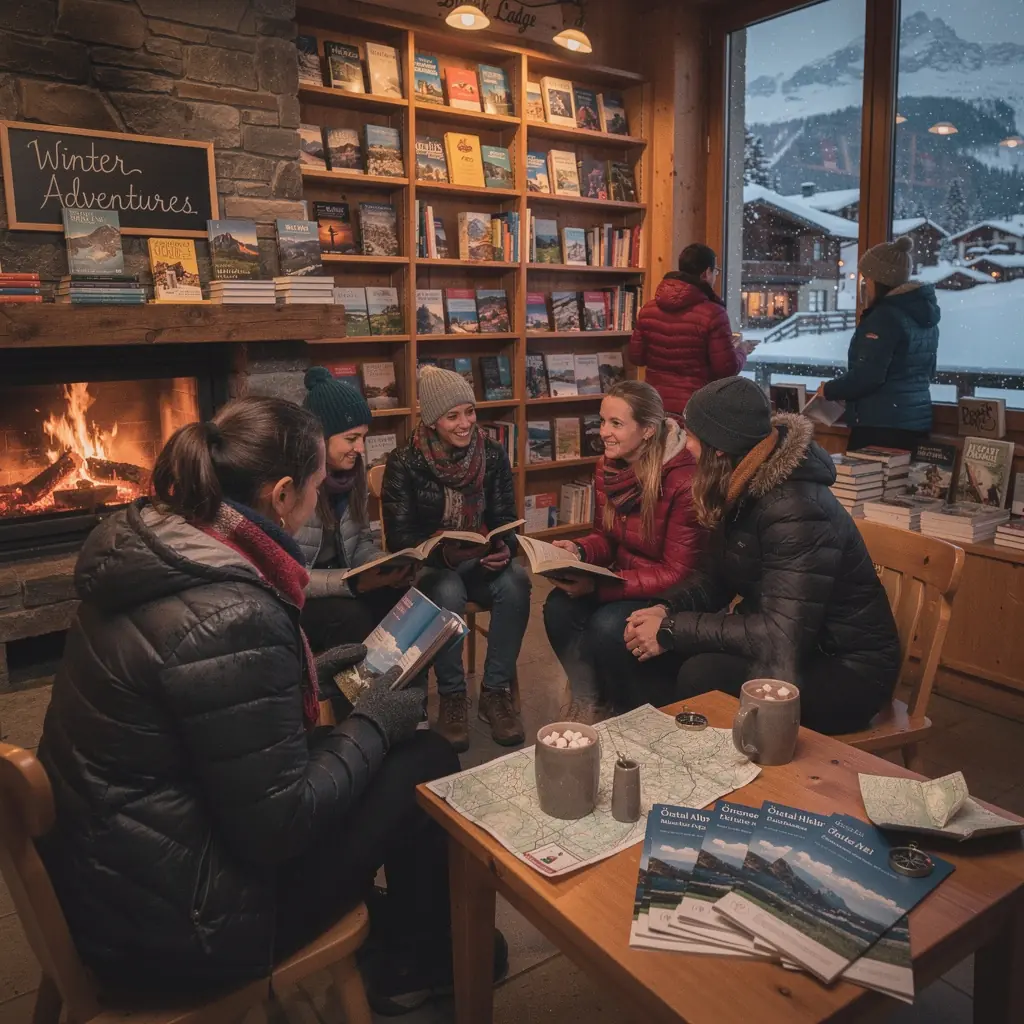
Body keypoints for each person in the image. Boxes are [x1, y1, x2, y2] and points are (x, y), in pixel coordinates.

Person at [35, 396, 505, 1013]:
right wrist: (370, 723)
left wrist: (308, 670)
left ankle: (413, 937)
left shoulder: (157, 553)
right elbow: (280, 823)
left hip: (116, 879)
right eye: (315, 486)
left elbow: (212, 723)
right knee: (425, 759)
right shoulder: (234, 611)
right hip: (188, 928)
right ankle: (421, 959)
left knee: (403, 755)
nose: (319, 497)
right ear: (282, 495)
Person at [624, 377, 901, 736]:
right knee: (638, 647)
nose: (684, 446)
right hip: (799, 646)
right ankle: (665, 753)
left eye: (691, 436)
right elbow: (715, 579)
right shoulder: (742, 480)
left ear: (719, 449)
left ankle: (705, 768)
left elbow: (780, 635)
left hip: (847, 671)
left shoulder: (796, 509)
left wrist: (673, 630)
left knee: (702, 673)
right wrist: (665, 611)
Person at [381, 365, 530, 751]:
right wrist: (443, 553)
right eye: (453, 416)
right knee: (446, 590)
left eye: (470, 412)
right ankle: (452, 696)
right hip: (433, 566)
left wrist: (503, 547)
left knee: (516, 582)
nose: (466, 424)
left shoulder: (492, 454)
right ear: (432, 420)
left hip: (480, 558)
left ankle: (495, 692)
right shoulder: (404, 462)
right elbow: (401, 539)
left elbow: (504, 518)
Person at [542, 381, 704, 722]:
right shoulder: (609, 466)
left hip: (667, 592)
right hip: (622, 578)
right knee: (558, 607)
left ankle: (626, 708)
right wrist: (580, 551)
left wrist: (602, 586)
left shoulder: (682, 479)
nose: (604, 433)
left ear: (647, 430)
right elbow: (607, 537)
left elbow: (678, 572)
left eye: (616, 424)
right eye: (602, 421)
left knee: (608, 625)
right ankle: (589, 697)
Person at [297, 366, 414, 651]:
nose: (361, 449)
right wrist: (352, 585)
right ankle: (354, 695)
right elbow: (289, 574)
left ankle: (403, 690)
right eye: (351, 439)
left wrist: (382, 566)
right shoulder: (296, 487)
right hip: (301, 596)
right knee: (354, 618)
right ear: (319, 441)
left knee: (405, 600)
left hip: (343, 578)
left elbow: (360, 539)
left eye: (363, 437)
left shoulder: (353, 475)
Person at [819, 236, 940, 451]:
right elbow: (926, 371)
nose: (864, 286)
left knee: (867, 485)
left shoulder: (883, 318)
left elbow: (868, 375)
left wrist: (829, 390)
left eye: (865, 279)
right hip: (914, 423)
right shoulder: (923, 317)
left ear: (878, 280)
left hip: (880, 427)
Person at [628, 243, 754, 418]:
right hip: (695, 407)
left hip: (654, 404)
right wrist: (742, 350)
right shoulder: (713, 313)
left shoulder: (648, 309)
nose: (715, 277)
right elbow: (726, 369)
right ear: (706, 273)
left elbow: (636, 357)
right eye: (715, 271)